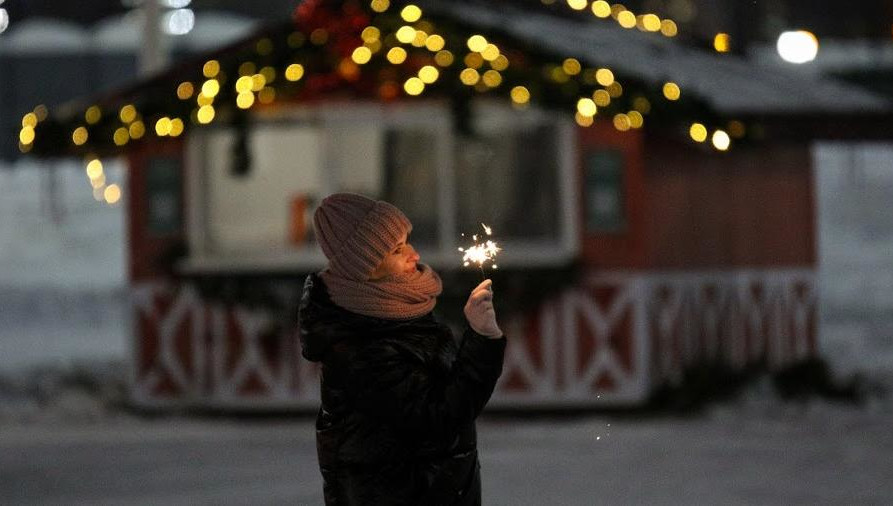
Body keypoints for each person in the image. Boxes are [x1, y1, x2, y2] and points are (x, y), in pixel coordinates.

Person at [299, 193, 506, 506]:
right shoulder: (359, 347)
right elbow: (437, 418)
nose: (414, 254)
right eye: (397, 249)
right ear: (364, 268)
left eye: (406, 240)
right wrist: (481, 340)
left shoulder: (397, 311)